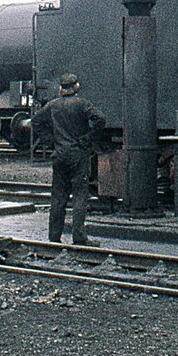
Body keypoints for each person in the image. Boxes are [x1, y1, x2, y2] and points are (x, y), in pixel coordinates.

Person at [30, 73, 106, 246]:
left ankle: (54, 237)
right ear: (76, 86)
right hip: (78, 155)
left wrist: (51, 141)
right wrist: (88, 138)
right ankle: (79, 237)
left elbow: (35, 122)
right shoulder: (82, 104)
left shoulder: (53, 105)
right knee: (79, 196)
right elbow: (100, 118)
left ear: (61, 88)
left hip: (59, 155)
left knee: (58, 197)